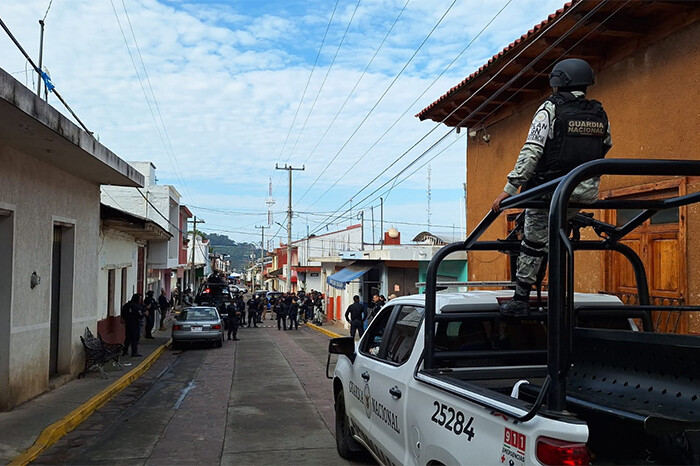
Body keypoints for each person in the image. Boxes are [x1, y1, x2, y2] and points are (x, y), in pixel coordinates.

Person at [491, 58, 612, 317]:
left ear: (558, 82)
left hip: (548, 192)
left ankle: (521, 299)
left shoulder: (550, 109)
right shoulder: (599, 112)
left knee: (532, 242)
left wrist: (510, 189)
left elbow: (532, 150)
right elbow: (605, 145)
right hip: (583, 191)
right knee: (554, 238)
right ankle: (551, 290)